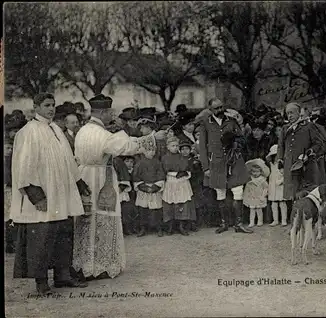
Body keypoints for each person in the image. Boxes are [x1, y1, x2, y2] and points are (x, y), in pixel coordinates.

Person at [73, 94, 168, 280]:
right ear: (103, 112)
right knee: (102, 219)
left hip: (84, 176)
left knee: (86, 221)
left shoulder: (83, 130)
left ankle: (83, 264)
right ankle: (99, 266)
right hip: (100, 178)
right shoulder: (102, 134)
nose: (112, 115)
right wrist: (153, 138)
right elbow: (125, 148)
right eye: (110, 112)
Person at [11, 92, 89, 295]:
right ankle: (41, 282)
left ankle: (62, 276)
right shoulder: (28, 132)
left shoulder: (55, 128)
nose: (51, 109)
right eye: (46, 105)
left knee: (63, 232)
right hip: (43, 193)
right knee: (42, 237)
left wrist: (78, 182)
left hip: (61, 192)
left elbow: (67, 159)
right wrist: (36, 195)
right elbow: (23, 165)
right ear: (35, 106)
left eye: (53, 105)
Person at [198, 98, 253, 234]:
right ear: (210, 110)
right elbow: (202, 148)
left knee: (238, 190)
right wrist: (205, 167)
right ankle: (224, 223)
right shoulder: (205, 124)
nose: (220, 110)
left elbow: (242, 138)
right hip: (216, 162)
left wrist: (235, 143)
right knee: (220, 192)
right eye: (216, 108)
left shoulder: (231, 121)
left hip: (234, 160)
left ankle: (238, 224)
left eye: (221, 107)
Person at [277, 102, 326, 201]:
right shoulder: (285, 129)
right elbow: (281, 146)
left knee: (306, 192)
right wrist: (280, 160)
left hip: (306, 164)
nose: (290, 116)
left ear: (298, 113)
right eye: (288, 113)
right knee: (292, 192)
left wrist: (309, 153)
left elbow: (318, 143)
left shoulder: (309, 126)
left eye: (292, 113)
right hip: (290, 165)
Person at [161, 136, 195, 236]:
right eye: (173, 146)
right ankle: (170, 226)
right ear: (168, 147)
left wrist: (184, 173)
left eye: (176, 146)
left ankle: (181, 226)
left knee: (182, 203)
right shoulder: (164, 158)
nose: (175, 148)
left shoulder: (182, 157)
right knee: (170, 203)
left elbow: (188, 169)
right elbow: (165, 170)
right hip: (171, 182)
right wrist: (174, 174)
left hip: (182, 182)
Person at [243, 159, 270, 227]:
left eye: (257, 172)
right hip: (252, 197)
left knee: (259, 210)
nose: (255, 173)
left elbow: (266, 188)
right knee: (252, 210)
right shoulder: (250, 179)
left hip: (259, 197)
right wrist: (248, 195)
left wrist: (263, 195)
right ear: (251, 172)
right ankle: (252, 222)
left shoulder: (262, 180)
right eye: (253, 172)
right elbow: (247, 188)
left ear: (261, 172)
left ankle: (259, 221)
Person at [266, 145, 287, 227]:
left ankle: (284, 220)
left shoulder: (281, 164)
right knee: (274, 204)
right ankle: (275, 220)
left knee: (282, 203)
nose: (275, 157)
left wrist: (281, 181)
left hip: (280, 186)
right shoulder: (271, 164)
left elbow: (286, 176)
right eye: (273, 156)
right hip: (273, 186)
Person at [4, 137, 16, 254]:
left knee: (9, 217)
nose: (10, 150)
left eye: (11, 148)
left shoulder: (11, 161)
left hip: (10, 191)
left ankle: (10, 244)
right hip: (6, 190)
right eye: (7, 148)